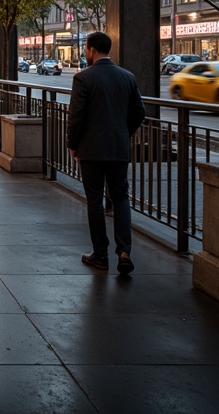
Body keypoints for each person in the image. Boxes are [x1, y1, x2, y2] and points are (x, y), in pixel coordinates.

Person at [67, 30, 146, 276]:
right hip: (118, 147)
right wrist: (124, 133)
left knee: (95, 200)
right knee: (121, 197)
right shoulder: (127, 77)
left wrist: (73, 143)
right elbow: (139, 112)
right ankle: (124, 252)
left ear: (91, 50)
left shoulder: (83, 78)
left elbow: (76, 116)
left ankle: (100, 255)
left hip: (91, 150)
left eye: (86, 50)